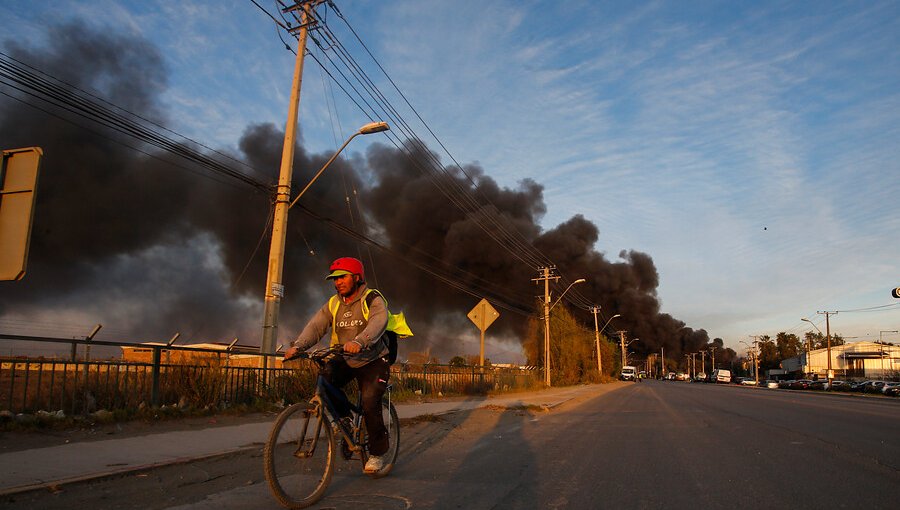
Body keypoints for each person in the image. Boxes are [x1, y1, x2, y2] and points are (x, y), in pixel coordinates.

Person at [284, 257, 391, 474]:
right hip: (344, 356)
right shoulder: (333, 303)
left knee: (370, 402)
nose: (338, 282)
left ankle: (377, 454)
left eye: (342, 277)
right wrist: (299, 346)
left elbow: (379, 320)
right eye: (335, 278)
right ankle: (346, 419)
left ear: (357, 277)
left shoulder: (372, 298)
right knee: (325, 379)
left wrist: (360, 341)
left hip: (373, 358)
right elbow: (316, 326)